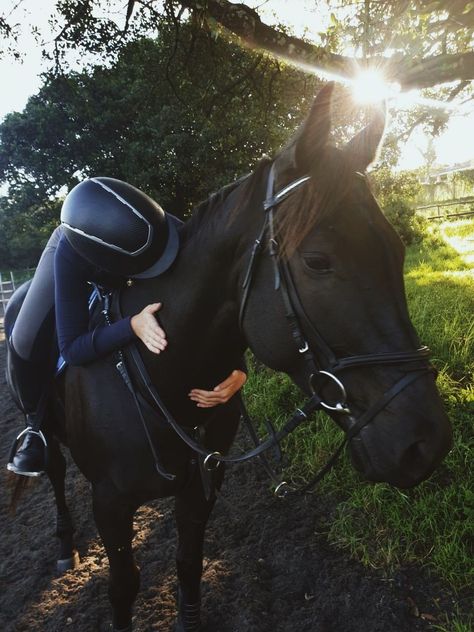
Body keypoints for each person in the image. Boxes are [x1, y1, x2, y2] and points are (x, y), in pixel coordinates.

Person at [6, 177, 246, 477]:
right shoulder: (72, 254)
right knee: (25, 340)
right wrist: (132, 325)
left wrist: (238, 369)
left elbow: (210, 305)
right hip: (73, 247)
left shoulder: (167, 229)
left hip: (132, 247)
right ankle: (35, 427)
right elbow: (73, 349)